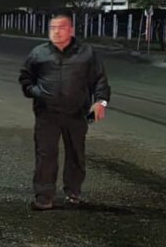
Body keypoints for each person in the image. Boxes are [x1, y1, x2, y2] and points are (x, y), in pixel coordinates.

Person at [19, 14, 110, 210]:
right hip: (47, 114)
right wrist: (36, 92)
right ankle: (44, 196)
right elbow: (26, 78)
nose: (56, 31)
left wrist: (100, 102)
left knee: (76, 153)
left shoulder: (86, 54)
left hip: (77, 113)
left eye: (61, 27)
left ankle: (73, 191)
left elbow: (100, 80)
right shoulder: (39, 53)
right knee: (45, 154)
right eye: (52, 27)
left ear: (71, 30)